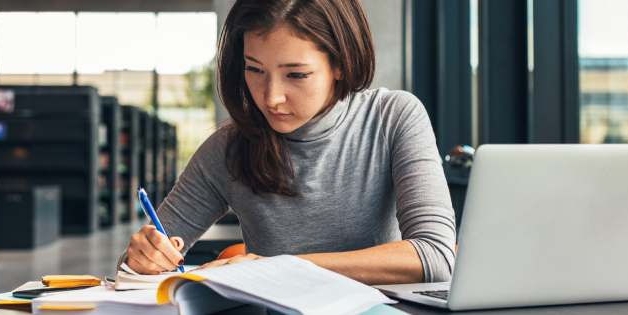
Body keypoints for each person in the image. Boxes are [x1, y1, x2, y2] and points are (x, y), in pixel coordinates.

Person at [121, 0, 456, 285]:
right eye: (255, 70)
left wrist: (276, 268)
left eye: (296, 75)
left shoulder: (392, 117)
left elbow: (436, 257)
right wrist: (143, 258)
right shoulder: (227, 147)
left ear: (339, 63)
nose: (271, 98)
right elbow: (134, 269)